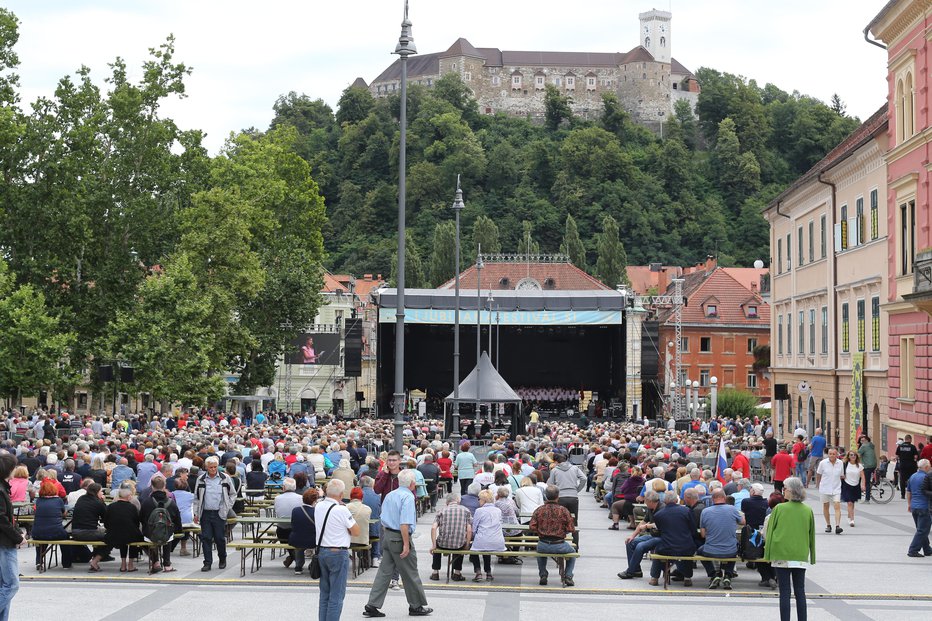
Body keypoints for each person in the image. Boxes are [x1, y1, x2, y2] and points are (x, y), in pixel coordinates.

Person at [364, 469, 432, 618]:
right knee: (410, 572)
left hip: (387, 535)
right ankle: (416, 605)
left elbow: (384, 517)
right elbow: (404, 524)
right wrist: (406, 544)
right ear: (412, 483)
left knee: (384, 572)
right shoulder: (407, 497)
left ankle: (372, 604)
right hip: (399, 537)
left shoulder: (390, 494)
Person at [764, 477, 816, 621]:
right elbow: (811, 534)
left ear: (791, 490)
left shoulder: (779, 508)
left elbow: (769, 532)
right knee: (800, 591)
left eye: (785, 488)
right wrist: (811, 555)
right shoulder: (808, 510)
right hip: (800, 554)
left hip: (781, 553)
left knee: (785, 592)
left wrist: (768, 554)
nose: (783, 491)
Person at [315, 479, 360, 621]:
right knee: (336, 596)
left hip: (322, 550)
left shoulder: (318, 506)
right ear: (341, 494)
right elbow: (356, 531)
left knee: (325, 595)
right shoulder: (341, 510)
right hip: (338, 552)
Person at [192, 456, 236, 571]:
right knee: (206, 538)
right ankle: (207, 562)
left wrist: (227, 507)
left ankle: (222, 558)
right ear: (206, 467)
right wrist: (196, 513)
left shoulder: (224, 478)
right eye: (210, 467)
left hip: (219, 512)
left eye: (215, 467)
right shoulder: (201, 479)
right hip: (205, 512)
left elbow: (233, 494)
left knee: (220, 538)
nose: (213, 469)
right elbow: (196, 497)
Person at [530, 484, 577, 587]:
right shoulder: (563, 510)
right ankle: (568, 576)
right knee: (573, 554)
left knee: (540, 552)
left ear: (545, 496)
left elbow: (532, 527)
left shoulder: (539, 510)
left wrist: (541, 530)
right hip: (559, 544)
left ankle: (543, 575)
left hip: (543, 543)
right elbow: (571, 528)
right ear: (558, 496)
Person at [698, 488, 745, 590]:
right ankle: (728, 575)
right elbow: (743, 522)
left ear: (712, 499)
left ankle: (713, 575)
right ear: (724, 498)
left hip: (710, 550)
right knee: (734, 547)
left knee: (699, 551)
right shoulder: (732, 509)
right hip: (730, 550)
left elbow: (702, 534)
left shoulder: (705, 512)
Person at [647, 490, 696, 587]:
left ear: (665, 500)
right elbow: (693, 530)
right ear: (677, 500)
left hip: (667, 547)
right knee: (687, 548)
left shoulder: (658, 515)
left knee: (658, 551)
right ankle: (687, 578)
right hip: (686, 547)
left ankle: (654, 578)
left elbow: (660, 532)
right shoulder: (687, 511)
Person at [0, 452, 26, 621]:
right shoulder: (1, 490)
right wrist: (17, 537)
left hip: (6, 540)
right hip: (4, 542)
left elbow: (7, 517)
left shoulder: (3, 488)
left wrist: (18, 533)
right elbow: (2, 518)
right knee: (11, 585)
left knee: (4, 586)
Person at [140, 475, 182, 573]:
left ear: (152, 487)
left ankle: (155, 562)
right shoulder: (171, 502)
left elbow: (141, 518)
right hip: (167, 534)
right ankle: (167, 564)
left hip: (150, 533)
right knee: (168, 534)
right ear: (164, 486)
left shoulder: (147, 502)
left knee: (148, 538)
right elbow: (177, 520)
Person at [429, 494, 472, 582]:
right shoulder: (466, 510)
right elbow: (469, 529)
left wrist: (433, 545)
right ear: (458, 501)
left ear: (446, 502)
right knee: (460, 542)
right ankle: (457, 573)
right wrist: (467, 544)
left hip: (443, 544)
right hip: (459, 544)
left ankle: (435, 572)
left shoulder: (441, 511)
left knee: (437, 543)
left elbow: (433, 528)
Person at [32, 480, 72, 569]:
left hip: (37, 532)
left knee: (42, 538)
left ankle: (39, 562)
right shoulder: (58, 500)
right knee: (66, 538)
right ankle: (66, 563)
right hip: (56, 532)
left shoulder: (38, 501)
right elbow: (63, 513)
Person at [103, 485, 144, 572]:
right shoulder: (132, 507)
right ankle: (131, 564)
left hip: (114, 534)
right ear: (129, 497)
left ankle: (123, 564)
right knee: (133, 539)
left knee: (122, 537)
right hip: (130, 535)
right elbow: (137, 523)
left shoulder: (111, 506)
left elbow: (106, 522)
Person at [549, 452, 585, 545]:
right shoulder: (575, 468)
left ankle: (559, 542)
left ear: (557, 462)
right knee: (574, 521)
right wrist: (577, 489)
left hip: (560, 497)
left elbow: (550, 484)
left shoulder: (555, 470)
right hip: (573, 496)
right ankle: (575, 544)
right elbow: (584, 478)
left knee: (559, 520)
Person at [469, 489, 505, 582]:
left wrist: (471, 537)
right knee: (486, 548)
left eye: (479, 499)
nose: (478, 501)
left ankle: (478, 572)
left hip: (483, 540)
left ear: (484, 500)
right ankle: (488, 572)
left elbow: (474, 528)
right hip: (498, 541)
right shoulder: (498, 510)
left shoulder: (479, 511)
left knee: (474, 548)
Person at [274, 477, 304, 569]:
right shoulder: (301, 498)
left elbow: (277, 512)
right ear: (295, 488)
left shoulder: (277, 498)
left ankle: (292, 556)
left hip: (282, 529)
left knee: (280, 531)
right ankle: (294, 556)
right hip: (297, 529)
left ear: (283, 487)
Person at [289, 487, 320, 575]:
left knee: (300, 544)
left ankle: (298, 566)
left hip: (296, 539)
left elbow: (293, 524)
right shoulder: (316, 511)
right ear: (315, 500)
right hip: (312, 540)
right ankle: (313, 563)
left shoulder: (295, 510)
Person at [906, 459, 932, 558]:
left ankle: (927, 549)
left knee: (921, 529)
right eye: (929, 466)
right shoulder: (926, 477)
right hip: (924, 506)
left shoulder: (913, 476)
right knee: (923, 530)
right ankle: (913, 550)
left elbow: (909, 492)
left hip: (914, 506)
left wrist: (909, 504)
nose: (930, 467)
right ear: (926, 467)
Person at [816, 448, 844, 534]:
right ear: (828, 454)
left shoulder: (840, 463)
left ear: (837, 455)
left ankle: (837, 526)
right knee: (826, 506)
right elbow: (818, 474)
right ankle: (828, 525)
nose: (832, 455)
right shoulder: (823, 463)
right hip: (825, 488)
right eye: (830, 454)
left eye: (833, 454)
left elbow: (841, 475)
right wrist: (818, 484)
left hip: (836, 488)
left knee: (837, 505)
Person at [840, 450, 865, 528]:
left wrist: (863, 485)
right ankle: (852, 519)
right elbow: (840, 474)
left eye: (854, 455)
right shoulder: (845, 464)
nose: (853, 456)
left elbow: (863, 476)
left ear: (856, 456)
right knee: (850, 503)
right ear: (848, 456)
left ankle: (849, 516)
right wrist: (842, 476)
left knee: (852, 503)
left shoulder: (859, 466)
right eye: (851, 455)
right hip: (847, 485)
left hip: (856, 485)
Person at [896, 435, 919, 499]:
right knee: (912, 479)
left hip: (903, 465)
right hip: (911, 465)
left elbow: (897, 456)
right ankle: (913, 493)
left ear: (905, 439)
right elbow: (916, 457)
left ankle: (903, 495)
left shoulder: (900, 447)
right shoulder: (913, 447)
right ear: (910, 439)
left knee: (902, 480)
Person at [857, 435, 878, 502]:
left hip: (867, 466)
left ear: (867, 440)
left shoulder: (863, 446)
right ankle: (861, 494)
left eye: (863, 440)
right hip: (873, 465)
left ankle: (867, 499)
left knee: (866, 482)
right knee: (865, 480)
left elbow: (857, 455)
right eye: (861, 441)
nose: (862, 442)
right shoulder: (871, 445)